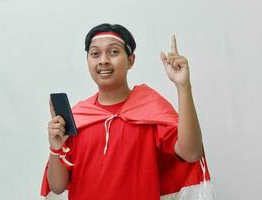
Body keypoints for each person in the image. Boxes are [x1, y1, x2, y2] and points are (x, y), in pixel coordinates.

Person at [41, 23, 210, 200]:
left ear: (130, 60)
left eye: (113, 52)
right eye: (95, 53)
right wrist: (55, 148)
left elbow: (191, 153)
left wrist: (183, 86)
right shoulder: (78, 117)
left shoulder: (151, 110)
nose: (103, 60)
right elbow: (57, 186)